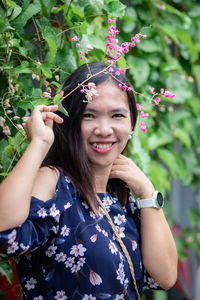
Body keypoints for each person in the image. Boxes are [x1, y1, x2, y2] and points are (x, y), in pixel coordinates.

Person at [0, 62, 177, 300]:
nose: (104, 129)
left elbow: (164, 277)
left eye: (117, 115)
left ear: (131, 123)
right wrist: (39, 144)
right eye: (89, 116)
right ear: (69, 122)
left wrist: (147, 194)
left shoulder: (121, 196)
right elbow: (4, 231)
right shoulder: (55, 182)